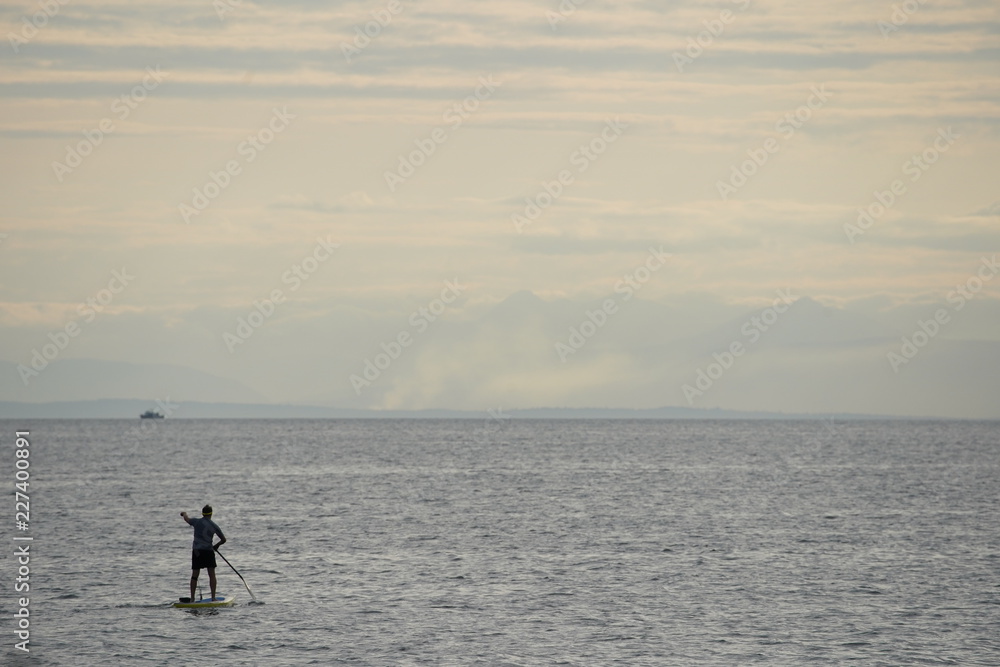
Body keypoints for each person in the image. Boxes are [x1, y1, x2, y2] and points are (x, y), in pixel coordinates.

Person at [180, 505, 227, 601]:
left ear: (202, 513)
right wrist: (217, 545)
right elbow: (223, 539)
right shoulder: (214, 526)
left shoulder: (196, 522)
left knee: (195, 575)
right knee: (211, 574)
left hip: (197, 552)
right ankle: (213, 598)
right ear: (211, 514)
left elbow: (186, 519)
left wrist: (184, 513)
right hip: (208, 552)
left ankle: (192, 598)